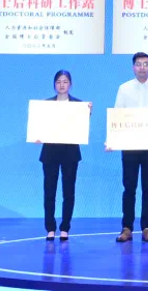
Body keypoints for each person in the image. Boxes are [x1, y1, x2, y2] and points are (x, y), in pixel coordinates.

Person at [112, 52, 148, 243]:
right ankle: (127, 227)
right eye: (138, 64)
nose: (142, 67)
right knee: (129, 187)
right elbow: (117, 116)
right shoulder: (124, 89)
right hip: (129, 145)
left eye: (145, 64)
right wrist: (113, 140)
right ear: (133, 67)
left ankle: (147, 228)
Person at [37, 69, 91, 241]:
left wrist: (87, 113)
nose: (62, 85)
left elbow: (81, 126)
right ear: (54, 85)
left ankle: (65, 228)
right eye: (58, 82)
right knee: (49, 192)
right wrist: (37, 134)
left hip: (70, 153)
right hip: (50, 153)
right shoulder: (46, 105)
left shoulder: (78, 105)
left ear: (70, 84)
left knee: (69, 192)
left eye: (65, 81)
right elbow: (39, 127)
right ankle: (50, 228)